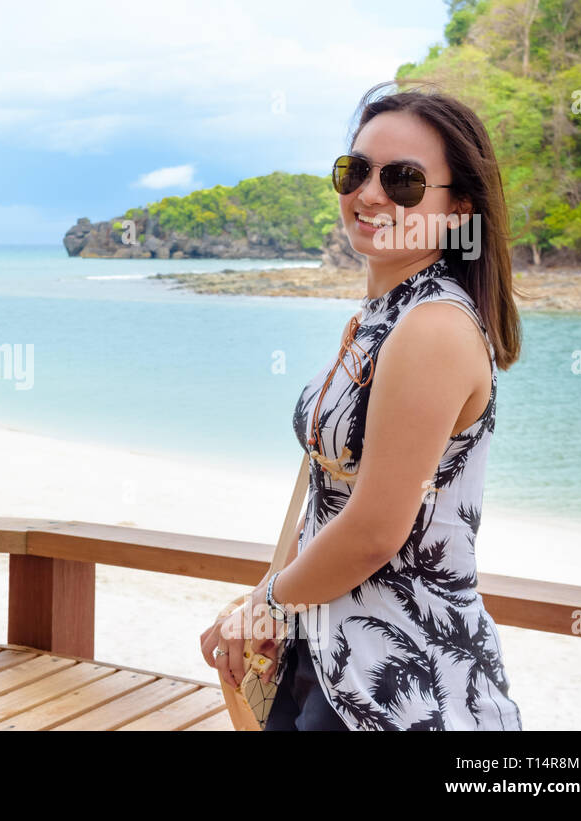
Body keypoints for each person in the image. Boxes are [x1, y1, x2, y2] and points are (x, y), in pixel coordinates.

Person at [199, 82, 525, 730]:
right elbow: (334, 494)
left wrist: (267, 601)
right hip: (328, 654)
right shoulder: (383, 317)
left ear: (458, 209)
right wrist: (279, 603)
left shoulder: (433, 327)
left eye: (403, 181)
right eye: (355, 170)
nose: (370, 194)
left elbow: (377, 526)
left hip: (398, 683)